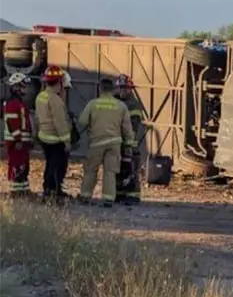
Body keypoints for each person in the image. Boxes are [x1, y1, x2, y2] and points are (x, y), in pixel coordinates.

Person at [77, 78, 136, 208]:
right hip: (114, 143)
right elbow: (127, 128)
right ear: (112, 89)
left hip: (96, 143)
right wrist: (129, 145)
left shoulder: (93, 104)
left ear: (100, 88)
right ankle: (108, 198)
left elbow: (82, 122)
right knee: (110, 172)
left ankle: (86, 196)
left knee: (91, 170)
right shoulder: (121, 106)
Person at [35, 66, 74, 203]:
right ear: (59, 82)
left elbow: (37, 118)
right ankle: (53, 193)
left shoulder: (41, 96)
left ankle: (48, 190)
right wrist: (67, 141)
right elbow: (60, 123)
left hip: (44, 138)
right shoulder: (56, 100)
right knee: (58, 167)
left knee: (50, 165)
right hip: (56, 140)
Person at [114, 75, 144, 205]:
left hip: (130, 144)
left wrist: (128, 143)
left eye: (125, 88)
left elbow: (133, 126)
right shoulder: (117, 102)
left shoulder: (133, 104)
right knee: (120, 170)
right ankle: (120, 193)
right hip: (119, 143)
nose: (122, 90)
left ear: (130, 89)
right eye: (121, 88)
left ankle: (133, 195)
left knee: (132, 170)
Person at [3, 73, 34, 198]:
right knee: (16, 166)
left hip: (22, 142)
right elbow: (12, 123)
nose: (25, 89)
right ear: (16, 87)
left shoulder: (19, 103)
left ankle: (24, 190)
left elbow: (24, 123)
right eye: (23, 86)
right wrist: (18, 140)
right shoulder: (12, 103)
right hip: (16, 143)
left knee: (24, 166)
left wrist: (29, 138)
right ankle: (15, 192)